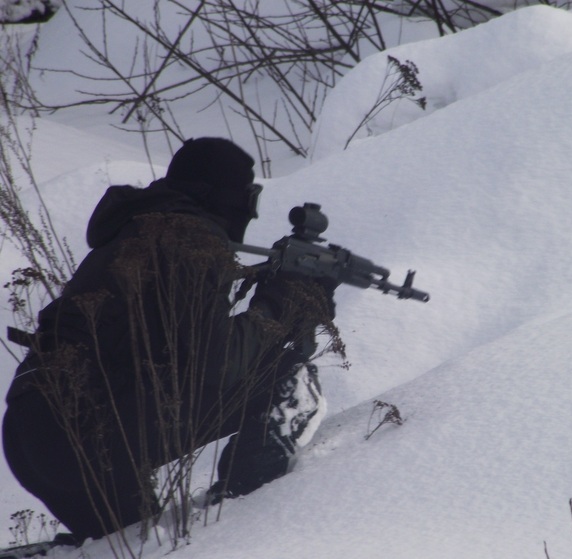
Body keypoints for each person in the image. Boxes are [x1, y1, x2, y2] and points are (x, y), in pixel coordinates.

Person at [2, 138, 335, 542]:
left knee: (130, 543)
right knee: (288, 377)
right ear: (230, 197)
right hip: (93, 435)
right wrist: (279, 306)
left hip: (29, 431)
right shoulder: (190, 241)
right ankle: (241, 523)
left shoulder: (136, 230)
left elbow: (179, 350)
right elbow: (216, 365)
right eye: (250, 196)